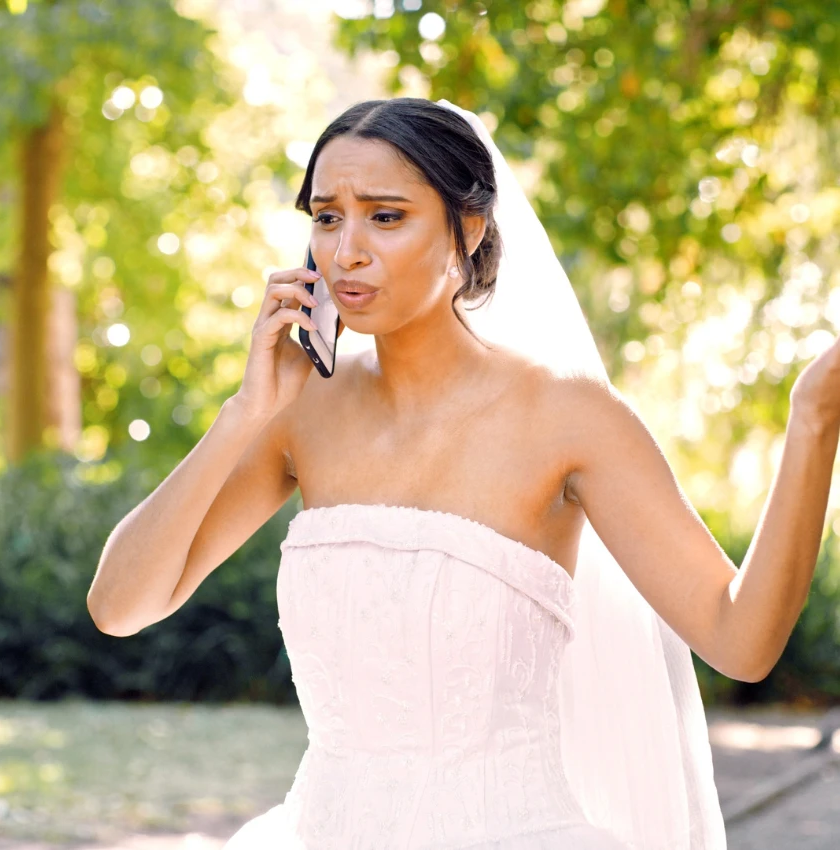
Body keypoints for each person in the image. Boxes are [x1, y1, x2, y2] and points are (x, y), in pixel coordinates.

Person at [88, 96, 840, 849]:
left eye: (386, 216)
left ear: (468, 229)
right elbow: (120, 606)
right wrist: (243, 413)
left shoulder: (570, 417)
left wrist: (812, 421)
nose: (346, 250)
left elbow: (741, 640)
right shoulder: (298, 414)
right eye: (326, 216)